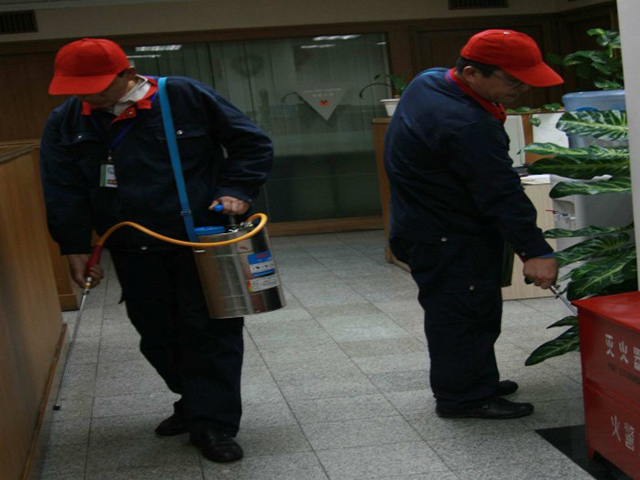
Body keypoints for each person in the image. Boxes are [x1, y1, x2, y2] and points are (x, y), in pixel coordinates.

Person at [40, 38, 274, 462]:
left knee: (210, 333)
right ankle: (195, 401)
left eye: (97, 86)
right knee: (157, 336)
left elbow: (252, 144)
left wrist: (237, 189)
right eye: (78, 87)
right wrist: (73, 246)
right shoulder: (67, 120)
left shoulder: (182, 95)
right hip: (132, 247)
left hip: (197, 241)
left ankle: (213, 424)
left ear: (127, 74)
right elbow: (63, 188)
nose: (87, 96)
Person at [384, 30, 561, 419]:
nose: (522, 89)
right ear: (471, 73)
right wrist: (536, 252)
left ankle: (474, 379)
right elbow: (501, 194)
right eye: (513, 81)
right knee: (461, 314)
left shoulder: (429, 81)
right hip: (447, 234)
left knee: (472, 309)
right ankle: (463, 397)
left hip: (425, 223)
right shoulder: (466, 124)